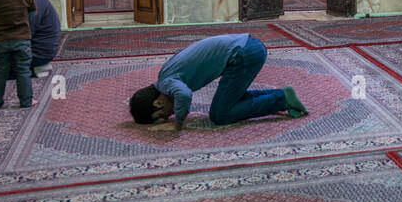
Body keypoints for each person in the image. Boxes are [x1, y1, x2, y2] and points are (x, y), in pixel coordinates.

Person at [128, 33, 307, 130]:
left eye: (161, 115)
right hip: (246, 48)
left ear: (158, 102)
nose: (167, 116)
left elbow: (184, 94)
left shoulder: (166, 82)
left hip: (243, 54)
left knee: (220, 115)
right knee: (229, 101)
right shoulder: (165, 75)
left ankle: (281, 99)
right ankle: (282, 95)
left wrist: (178, 124)